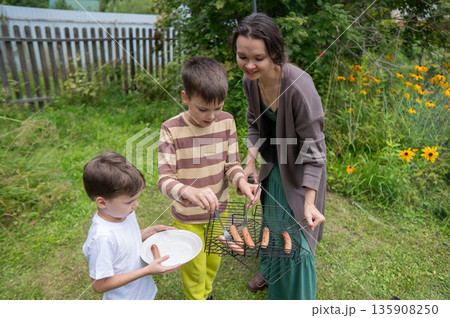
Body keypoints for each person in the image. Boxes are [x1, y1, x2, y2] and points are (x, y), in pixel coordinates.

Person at [232, 13, 326, 300]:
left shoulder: (298, 85)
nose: (249, 65)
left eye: (258, 58)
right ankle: (271, 271)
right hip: (273, 165)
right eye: (242, 56)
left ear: (274, 52)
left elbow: (314, 149)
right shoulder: (251, 81)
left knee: (295, 236)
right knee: (272, 222)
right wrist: (250, 159)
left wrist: (309, 202)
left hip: (301, 168)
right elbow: (253, 121)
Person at [157, 57, 260, 300]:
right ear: (185, 98)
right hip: (187, 217)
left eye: (218, 107)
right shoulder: (171, 129)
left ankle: (207, 296)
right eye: (203, 109)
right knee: (194, 268)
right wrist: (189, 192)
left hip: (219, 212)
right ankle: (198, 301)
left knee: (213, 261)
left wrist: (242, 182)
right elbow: (164, 181)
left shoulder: (227, 122)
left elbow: (231, 164)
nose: (211, 116)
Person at [82, 151, 181, 300]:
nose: (136, 204)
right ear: (102, 203)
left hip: (142, 293)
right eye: (129, 201)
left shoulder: (123, 213)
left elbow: (124, 242)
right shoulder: (102, 238)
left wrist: (146, 232)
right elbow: (99, 284)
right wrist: (147, 270)